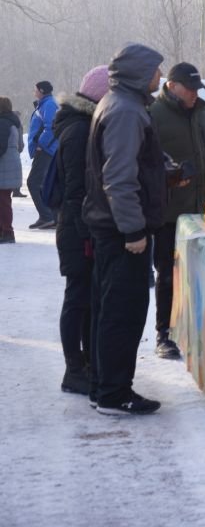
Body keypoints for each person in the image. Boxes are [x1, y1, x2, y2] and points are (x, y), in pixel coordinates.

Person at [83, 43, 166, 416]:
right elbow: (118, 178)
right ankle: (114, 394)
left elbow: (131, 165)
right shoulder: (126, 111)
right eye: (155, 70)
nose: (160, 77)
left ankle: (104, 386)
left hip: (111, 227)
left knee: (109, 309)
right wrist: (133, 231)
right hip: (121, 233)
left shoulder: (121, 104)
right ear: (139, 72)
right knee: (123, 312)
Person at [150, 62, 205, 359]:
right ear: (173, 85)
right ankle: (165, 334)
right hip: (170, 208)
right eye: (189, 89)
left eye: (196, 90)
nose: (193, 94)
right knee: (168, 271)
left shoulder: (201, 111)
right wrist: (169, 171)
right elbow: (146, 157)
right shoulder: (154, 114)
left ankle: (187, 322)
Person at [52, 66, 110, 395]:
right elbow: (75, 191)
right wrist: (87, 233)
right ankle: (74, 369)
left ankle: (85, 363)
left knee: (86, 298)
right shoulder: (78, 131)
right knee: (77, 298)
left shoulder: (83, 125)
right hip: (77, 230)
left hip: (81, 226)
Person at [26, 80, 59, 229]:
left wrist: (41, 145)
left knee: (33, 182)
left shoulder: (49, 104)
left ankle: (47, 216)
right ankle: (47, 216)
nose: (34, 92)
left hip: (45, 150)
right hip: (44, 150)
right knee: (42, 184)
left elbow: (50, 127)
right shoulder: (45, 103)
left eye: (35, 89)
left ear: (42, 90)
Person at [0, 97, 24, 243]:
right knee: (4, 200)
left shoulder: (3, 123)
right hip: (11, 165)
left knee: (3, 201)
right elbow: (20, 146)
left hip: (4, 167)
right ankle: (4, 231)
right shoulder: (14, 122)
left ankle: (7, 232)